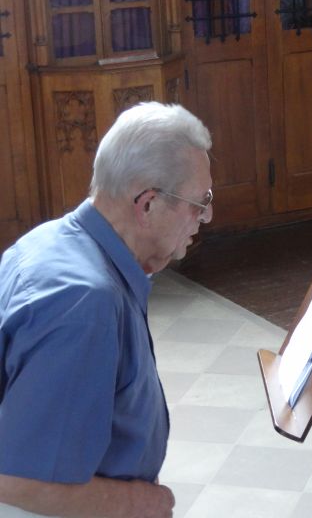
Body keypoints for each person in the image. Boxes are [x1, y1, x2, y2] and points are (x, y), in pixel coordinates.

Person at [0, 102, 214, 517]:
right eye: (198, 202)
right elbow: (18, 482)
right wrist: (138, 502)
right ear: (147, 204)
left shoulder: (51, 240)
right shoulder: (85, 304)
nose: (206, 217)